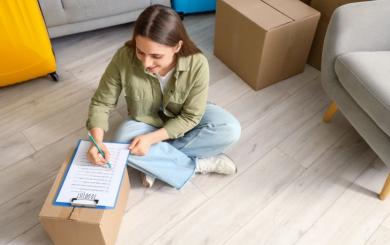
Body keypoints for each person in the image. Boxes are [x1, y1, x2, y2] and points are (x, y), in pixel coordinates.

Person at [86, 4, 241, 189]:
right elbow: (102, 101)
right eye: (140, 52)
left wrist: (151, 140)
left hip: (183, 117)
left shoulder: (197, 64)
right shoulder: (124, 57)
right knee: (121, 139)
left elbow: (191, 116)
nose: (146, 63)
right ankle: (198, 165)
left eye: (156, 56)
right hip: (145, 120)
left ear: (177, 46)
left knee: (229, 128)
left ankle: (157, 163)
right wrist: (97, 141)